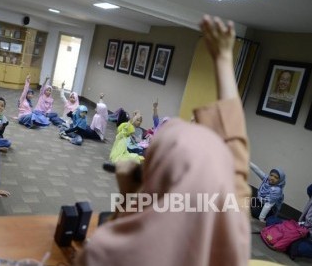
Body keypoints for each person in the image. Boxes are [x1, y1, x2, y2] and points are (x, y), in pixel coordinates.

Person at [75, 15, 251, 266]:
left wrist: (127, 198)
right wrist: (224, 59)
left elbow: (96, 254)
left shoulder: (114, 251)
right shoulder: (234, 215)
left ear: (152, 172)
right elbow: (235, 138)